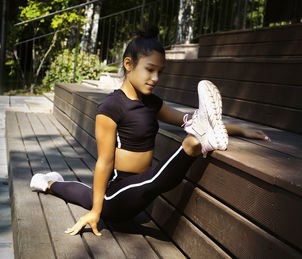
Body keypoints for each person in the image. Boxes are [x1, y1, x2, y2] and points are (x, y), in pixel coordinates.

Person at [30, 25, 270, 236]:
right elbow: (104, 161)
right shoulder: (111, 107)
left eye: (160, 72)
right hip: (118, 193)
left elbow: (191, 119)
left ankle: (52, 183)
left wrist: (240, 130)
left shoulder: (152, 103)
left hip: (140, 189)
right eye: (149, 69)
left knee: (90, 191)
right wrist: (95, 211)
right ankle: (193, 145)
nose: (155, 78)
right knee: (115, 190)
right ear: (128, 64)